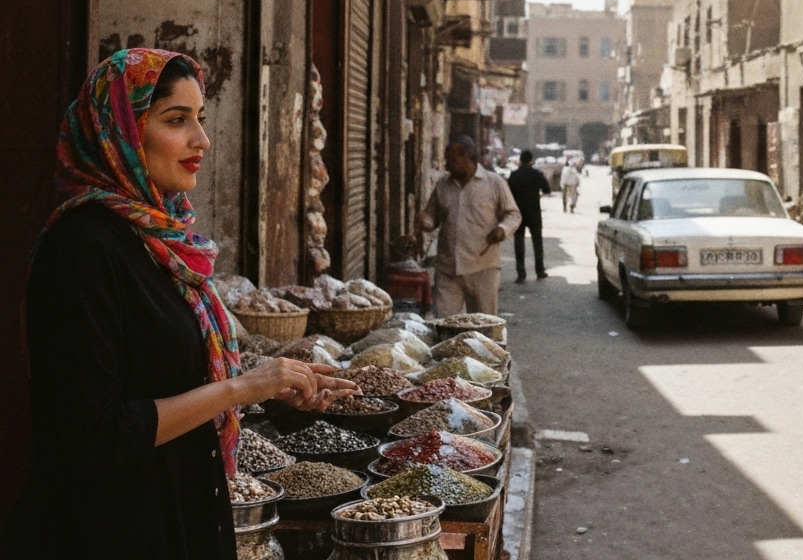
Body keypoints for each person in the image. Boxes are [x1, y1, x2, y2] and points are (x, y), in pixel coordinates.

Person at [4, 49, 358, 560]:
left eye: (201, 118)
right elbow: (91, 435)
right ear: (121, 134)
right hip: (116, 532)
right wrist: (241, 387)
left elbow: (158, 374)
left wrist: (269, 382)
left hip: (177, 513)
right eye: (176, 120)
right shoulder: (81, 250)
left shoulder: (159, 242)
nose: (202, 140)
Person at [418, 135, 521, 316]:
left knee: (483, 324)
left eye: (451, 160)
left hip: (483, 268)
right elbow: (432, 216)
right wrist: (425, 221)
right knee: (443, 321)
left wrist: (502, 229)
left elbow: (513, 214)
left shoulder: (494, 182)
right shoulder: (443, 185)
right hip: (448, 268)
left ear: (467, 156)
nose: (446, 166)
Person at [506, 149, 551, 283]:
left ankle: (521, 274)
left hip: (518, 213)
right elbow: (547, 189)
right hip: (534, 213)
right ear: (531, 160)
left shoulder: (514, 175)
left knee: (519, 243)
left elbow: (508, 193)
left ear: (520, 160)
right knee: (537, 242)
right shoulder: (536, 174)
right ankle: (540, 271)